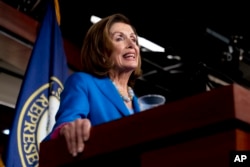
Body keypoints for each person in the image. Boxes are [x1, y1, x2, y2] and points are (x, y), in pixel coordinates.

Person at [43, 13, 142, 157]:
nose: (132, 44)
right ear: (101, 51)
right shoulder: (84, 83)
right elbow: (67, 122)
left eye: (134, 39)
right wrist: (68, 129)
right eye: (120, 38)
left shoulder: (137, 101)